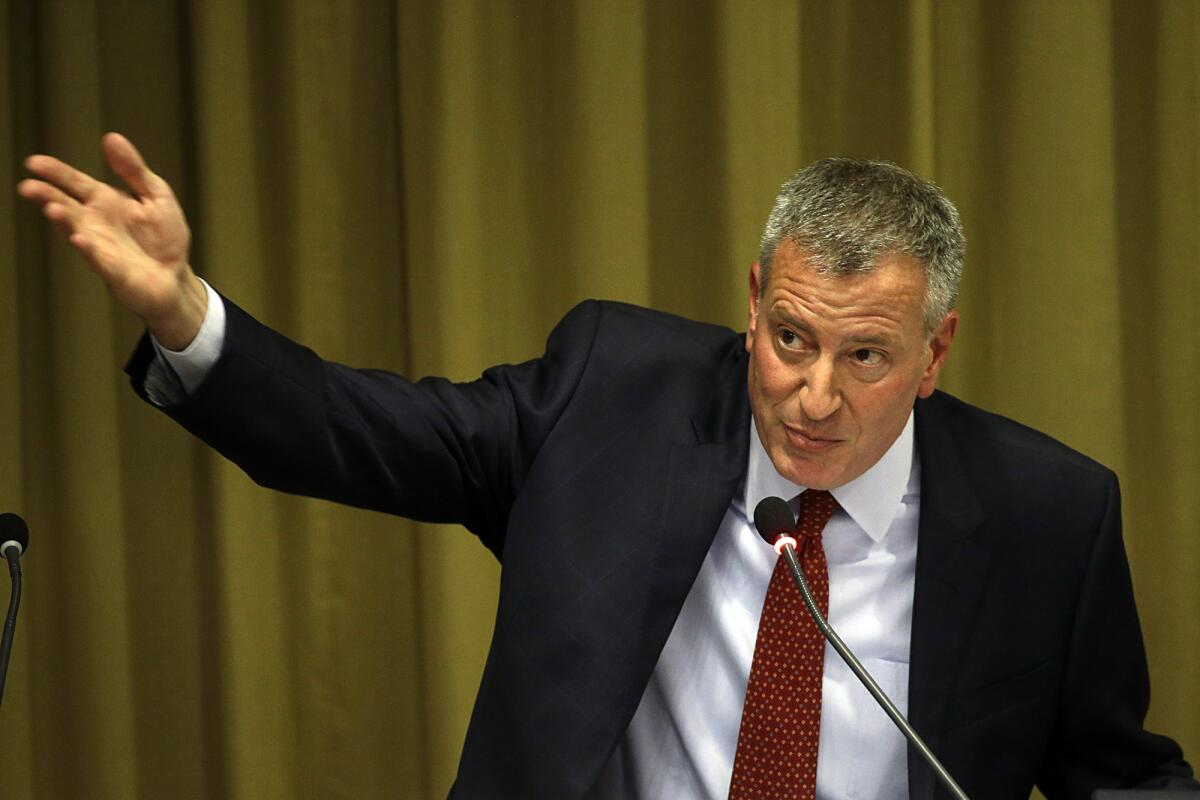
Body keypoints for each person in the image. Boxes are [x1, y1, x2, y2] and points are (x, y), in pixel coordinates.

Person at [18, 134, 1198, 799]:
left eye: (866, 355)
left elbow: (1120, 778)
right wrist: (186, 313)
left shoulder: (1050, 514)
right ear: (752, 304)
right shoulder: (611, 400)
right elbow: (359, 430)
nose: (812, 392)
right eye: (790, 336)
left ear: (935, 353)